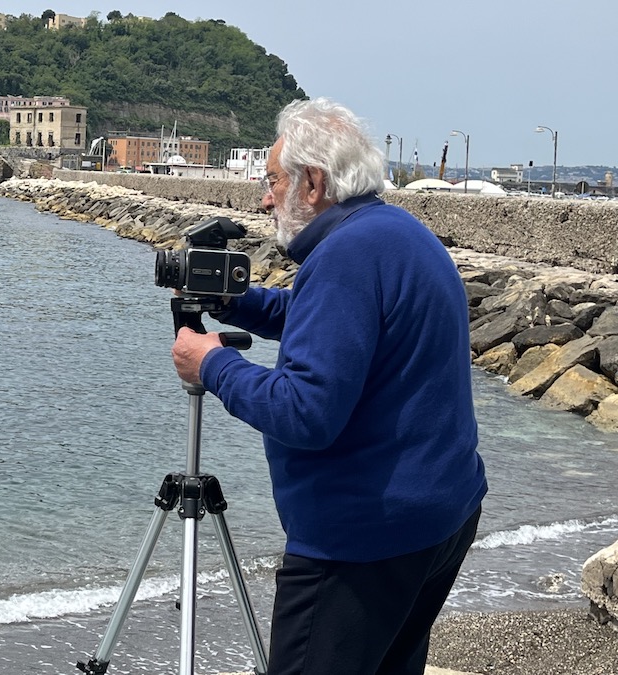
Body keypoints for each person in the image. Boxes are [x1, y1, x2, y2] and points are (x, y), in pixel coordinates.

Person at [171, 99, 487, 675]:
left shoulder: (344, 256)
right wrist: (239, 304)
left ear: (312, 183)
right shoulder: (393, 232)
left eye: (272, 182)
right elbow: (334, 321)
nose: (265, 198)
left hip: (363, 542)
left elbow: (306, 414)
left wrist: (211, 363)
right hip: (441, 513)